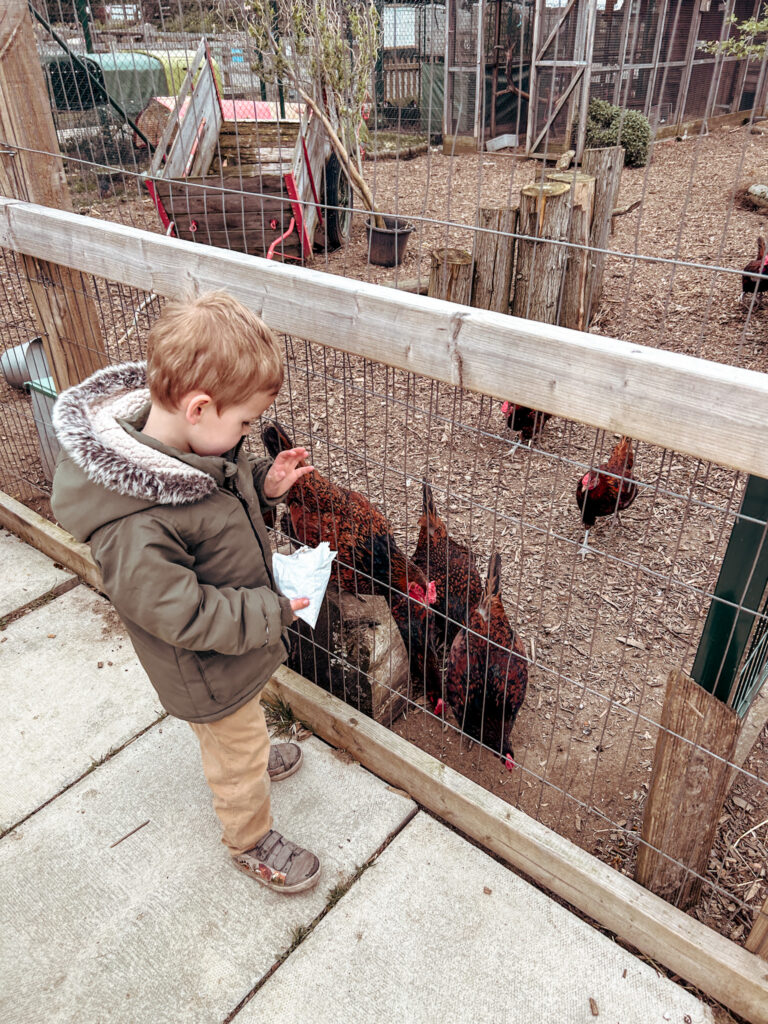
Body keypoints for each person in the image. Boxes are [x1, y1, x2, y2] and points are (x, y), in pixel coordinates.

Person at [51, 291, 321, 894]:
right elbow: (184, 613)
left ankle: (248, 755)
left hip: (233, 647)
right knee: (235, 750)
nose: (249, 433)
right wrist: (266, 611)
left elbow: (222, 492)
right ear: (198, 408)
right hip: (204, 668)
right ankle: (250, 839)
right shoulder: (133, 525)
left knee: (242, 733)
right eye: (245, 422)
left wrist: (265, 483)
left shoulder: (190, 448)